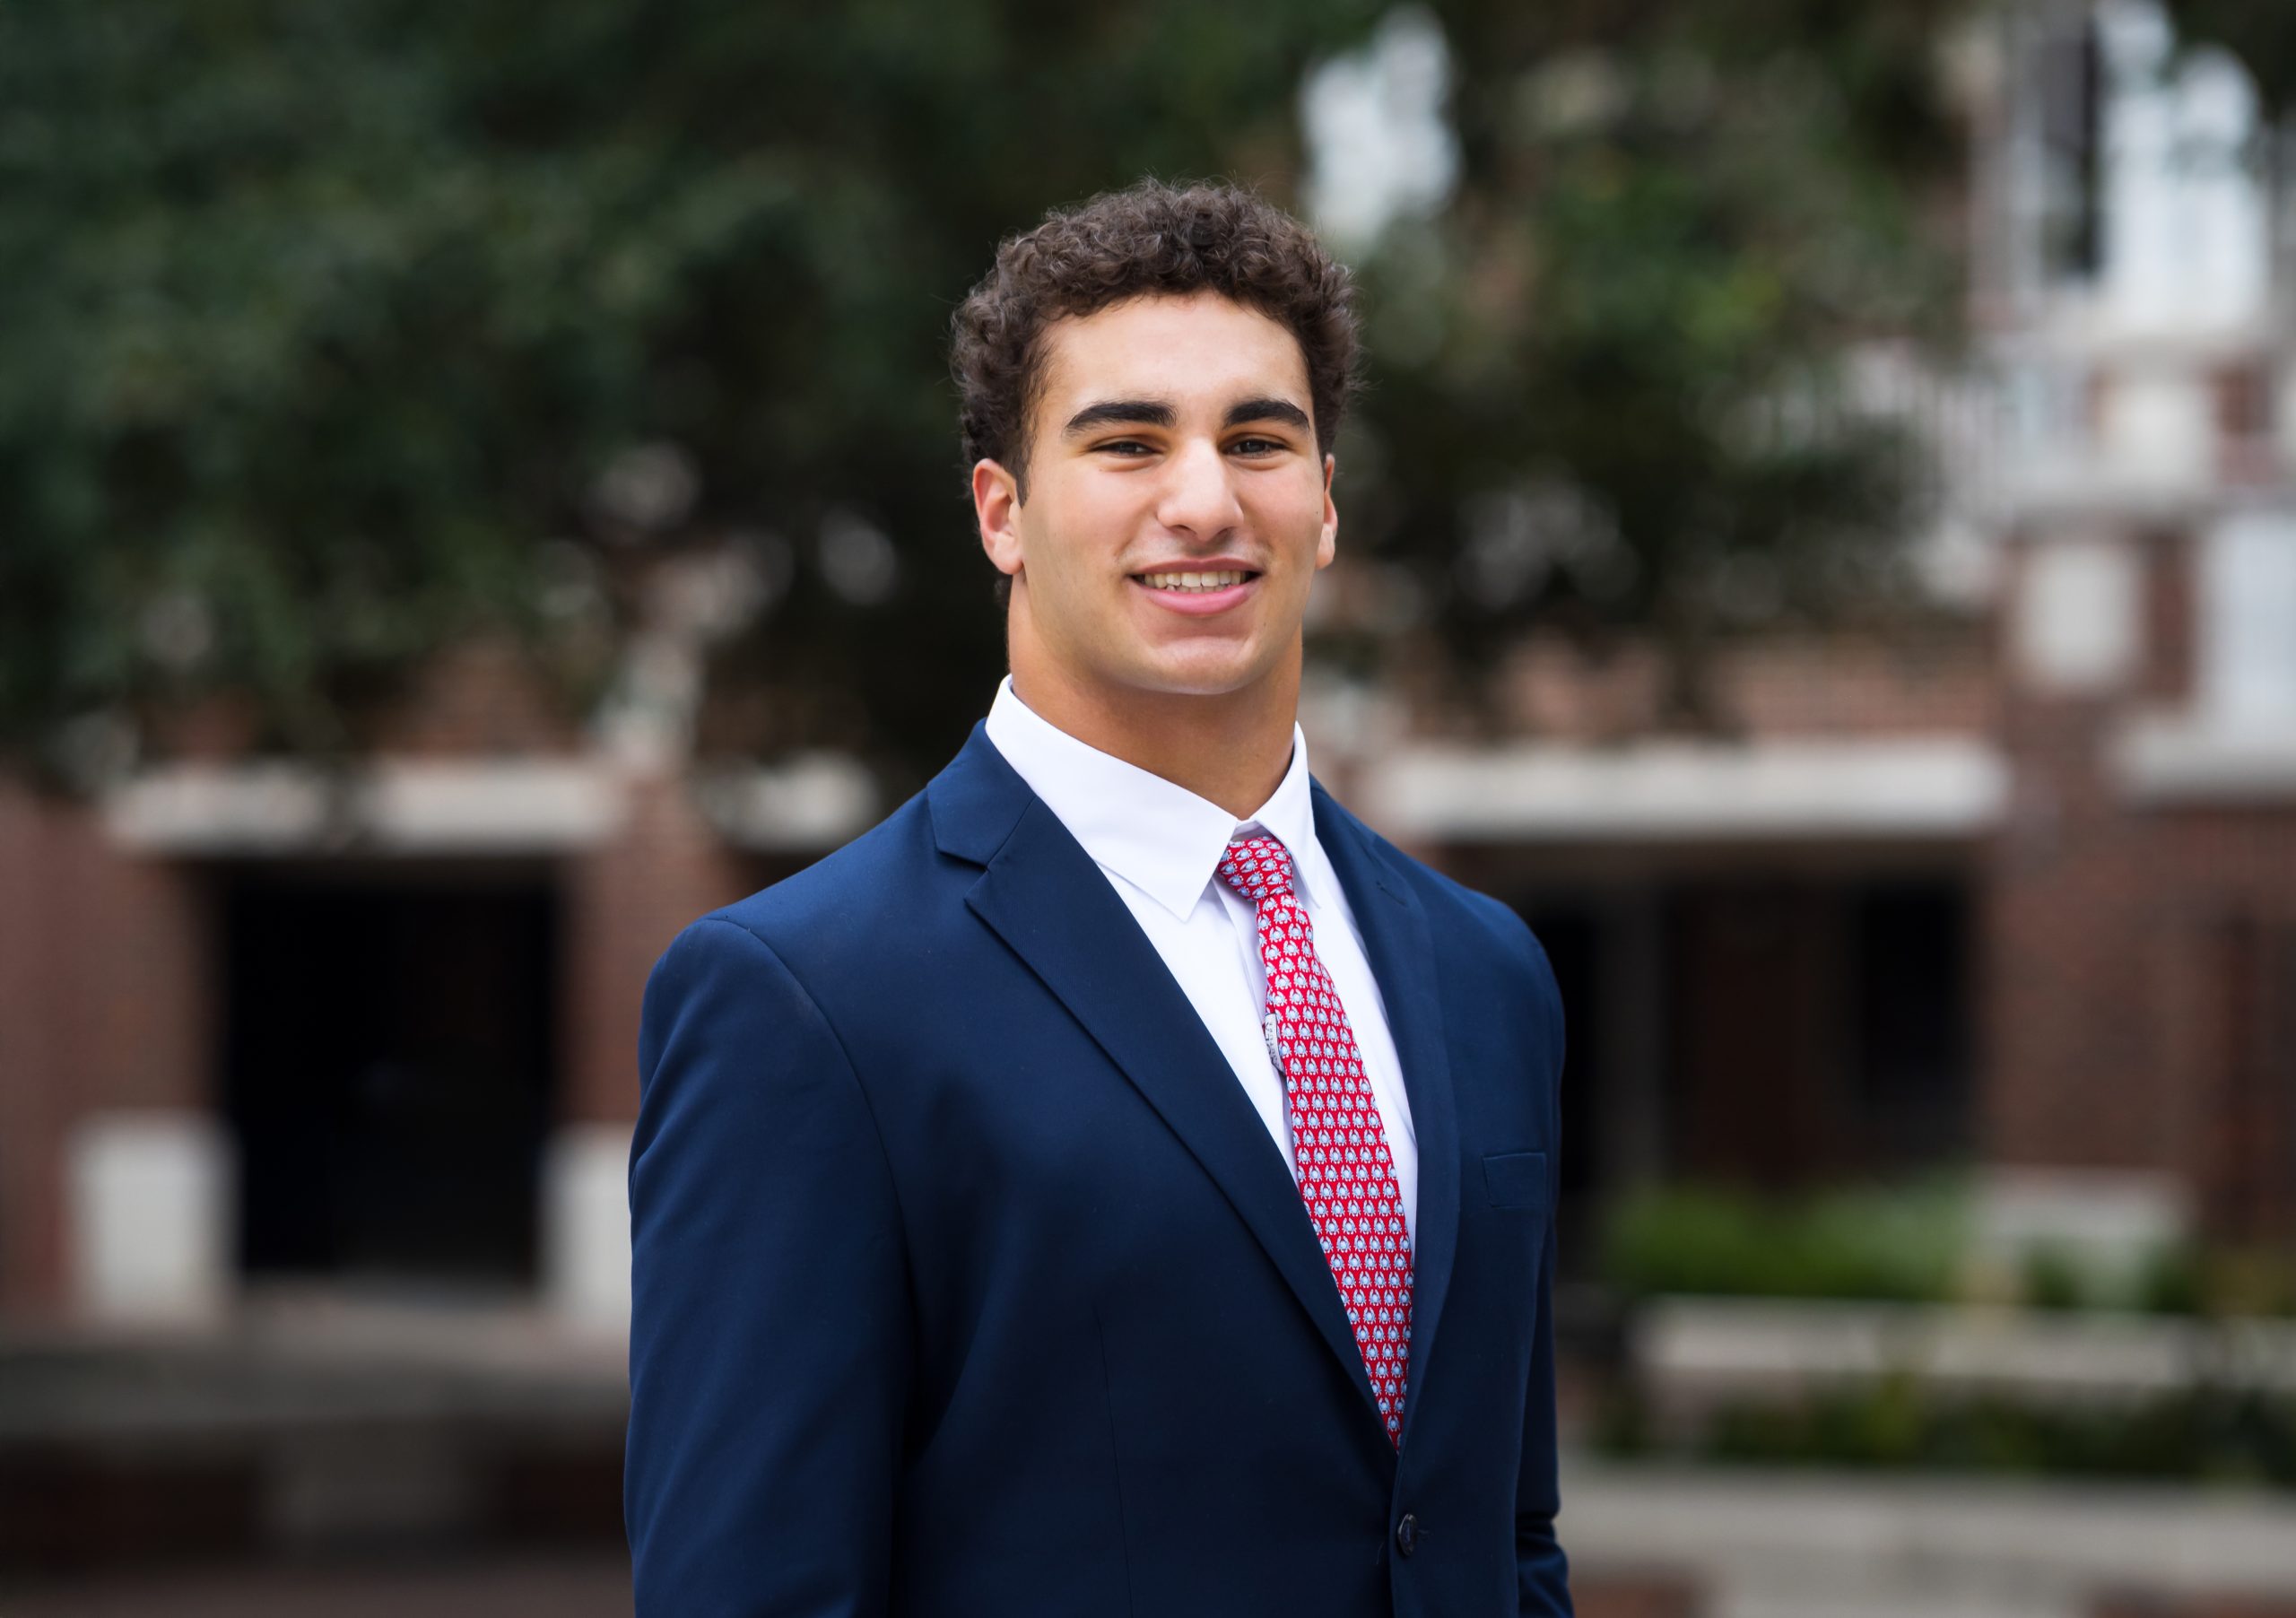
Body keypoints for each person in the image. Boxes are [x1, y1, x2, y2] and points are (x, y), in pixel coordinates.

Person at [624, 178, 1574, 1616]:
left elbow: (1505, 1532)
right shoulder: (803, 1002)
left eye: (1258, 440)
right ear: (1001, 513)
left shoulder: (1486, 970)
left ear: (1324, 505)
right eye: (1128, 441)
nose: (1204, 500)